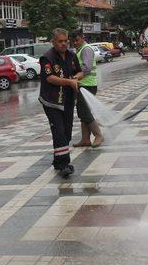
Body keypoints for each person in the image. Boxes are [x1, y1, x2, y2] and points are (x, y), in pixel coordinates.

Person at [39, 29, 83, 178]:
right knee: (59, 132)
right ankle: (64, 164)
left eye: (66, 40)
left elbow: (80, 71)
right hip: (51, 102)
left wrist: (76, 77)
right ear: (53, 42)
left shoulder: (71, 55)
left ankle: (58, 160)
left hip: (68, 100)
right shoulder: (47, 58)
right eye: (60, 41)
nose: (64, 43)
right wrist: (69, 81)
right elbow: (49, 78)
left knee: (67, 132)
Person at [70, 29, 104, 148]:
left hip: (88, 85)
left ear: (82, 38)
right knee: (82, 111)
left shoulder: (86, 49)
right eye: (73, 41)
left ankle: (98, 135)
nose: (75, 43)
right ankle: (85, 139)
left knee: (84, 111)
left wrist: (75, 76)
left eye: (77, 40)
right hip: (83, 85)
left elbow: (87, 67)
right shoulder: (80, 50)